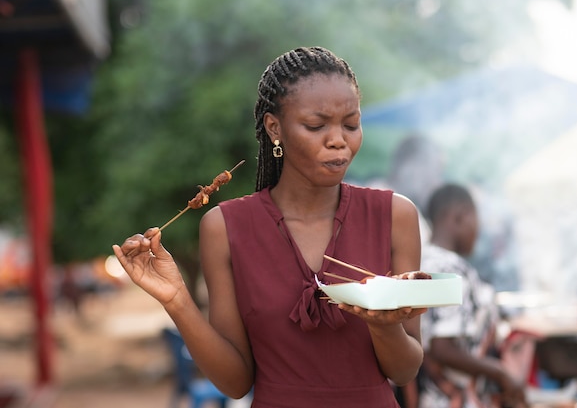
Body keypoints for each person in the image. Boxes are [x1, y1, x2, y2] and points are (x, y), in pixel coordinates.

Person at [113, 46, 427, 408]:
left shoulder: (395, 216)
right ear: (274, 128)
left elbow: (405, 371)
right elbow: (235, 381)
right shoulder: (225, 228)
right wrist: (177, 300)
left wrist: (383, 324)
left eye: (351, 124)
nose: (338, 139)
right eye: (316, 125)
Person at [397, 183, 527, 408]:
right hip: (452, 400)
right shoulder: (450, 269)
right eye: (476, 220)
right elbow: (441, 346)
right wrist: (501, 374)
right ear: (459, 217)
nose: (478, 231)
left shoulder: (419, 262)